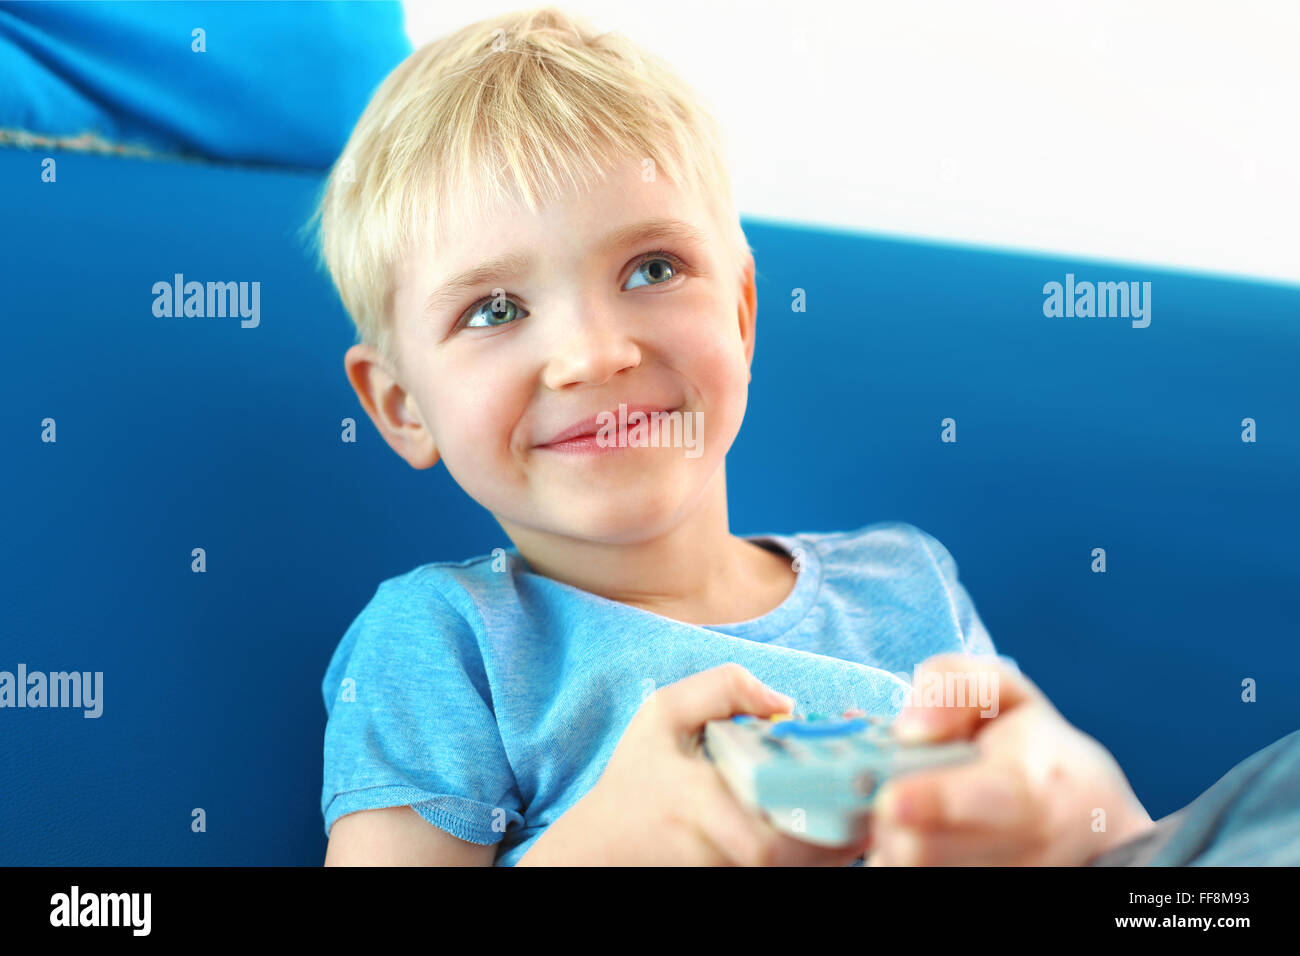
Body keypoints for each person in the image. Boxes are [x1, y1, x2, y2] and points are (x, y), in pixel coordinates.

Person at [307, 7, 1269, 867]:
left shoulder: (906, 581)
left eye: (652, 268)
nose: (595, 354)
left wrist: (1084, 806)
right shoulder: (443, 642)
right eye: (496, 307)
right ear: (400, 406)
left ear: (743, 313)